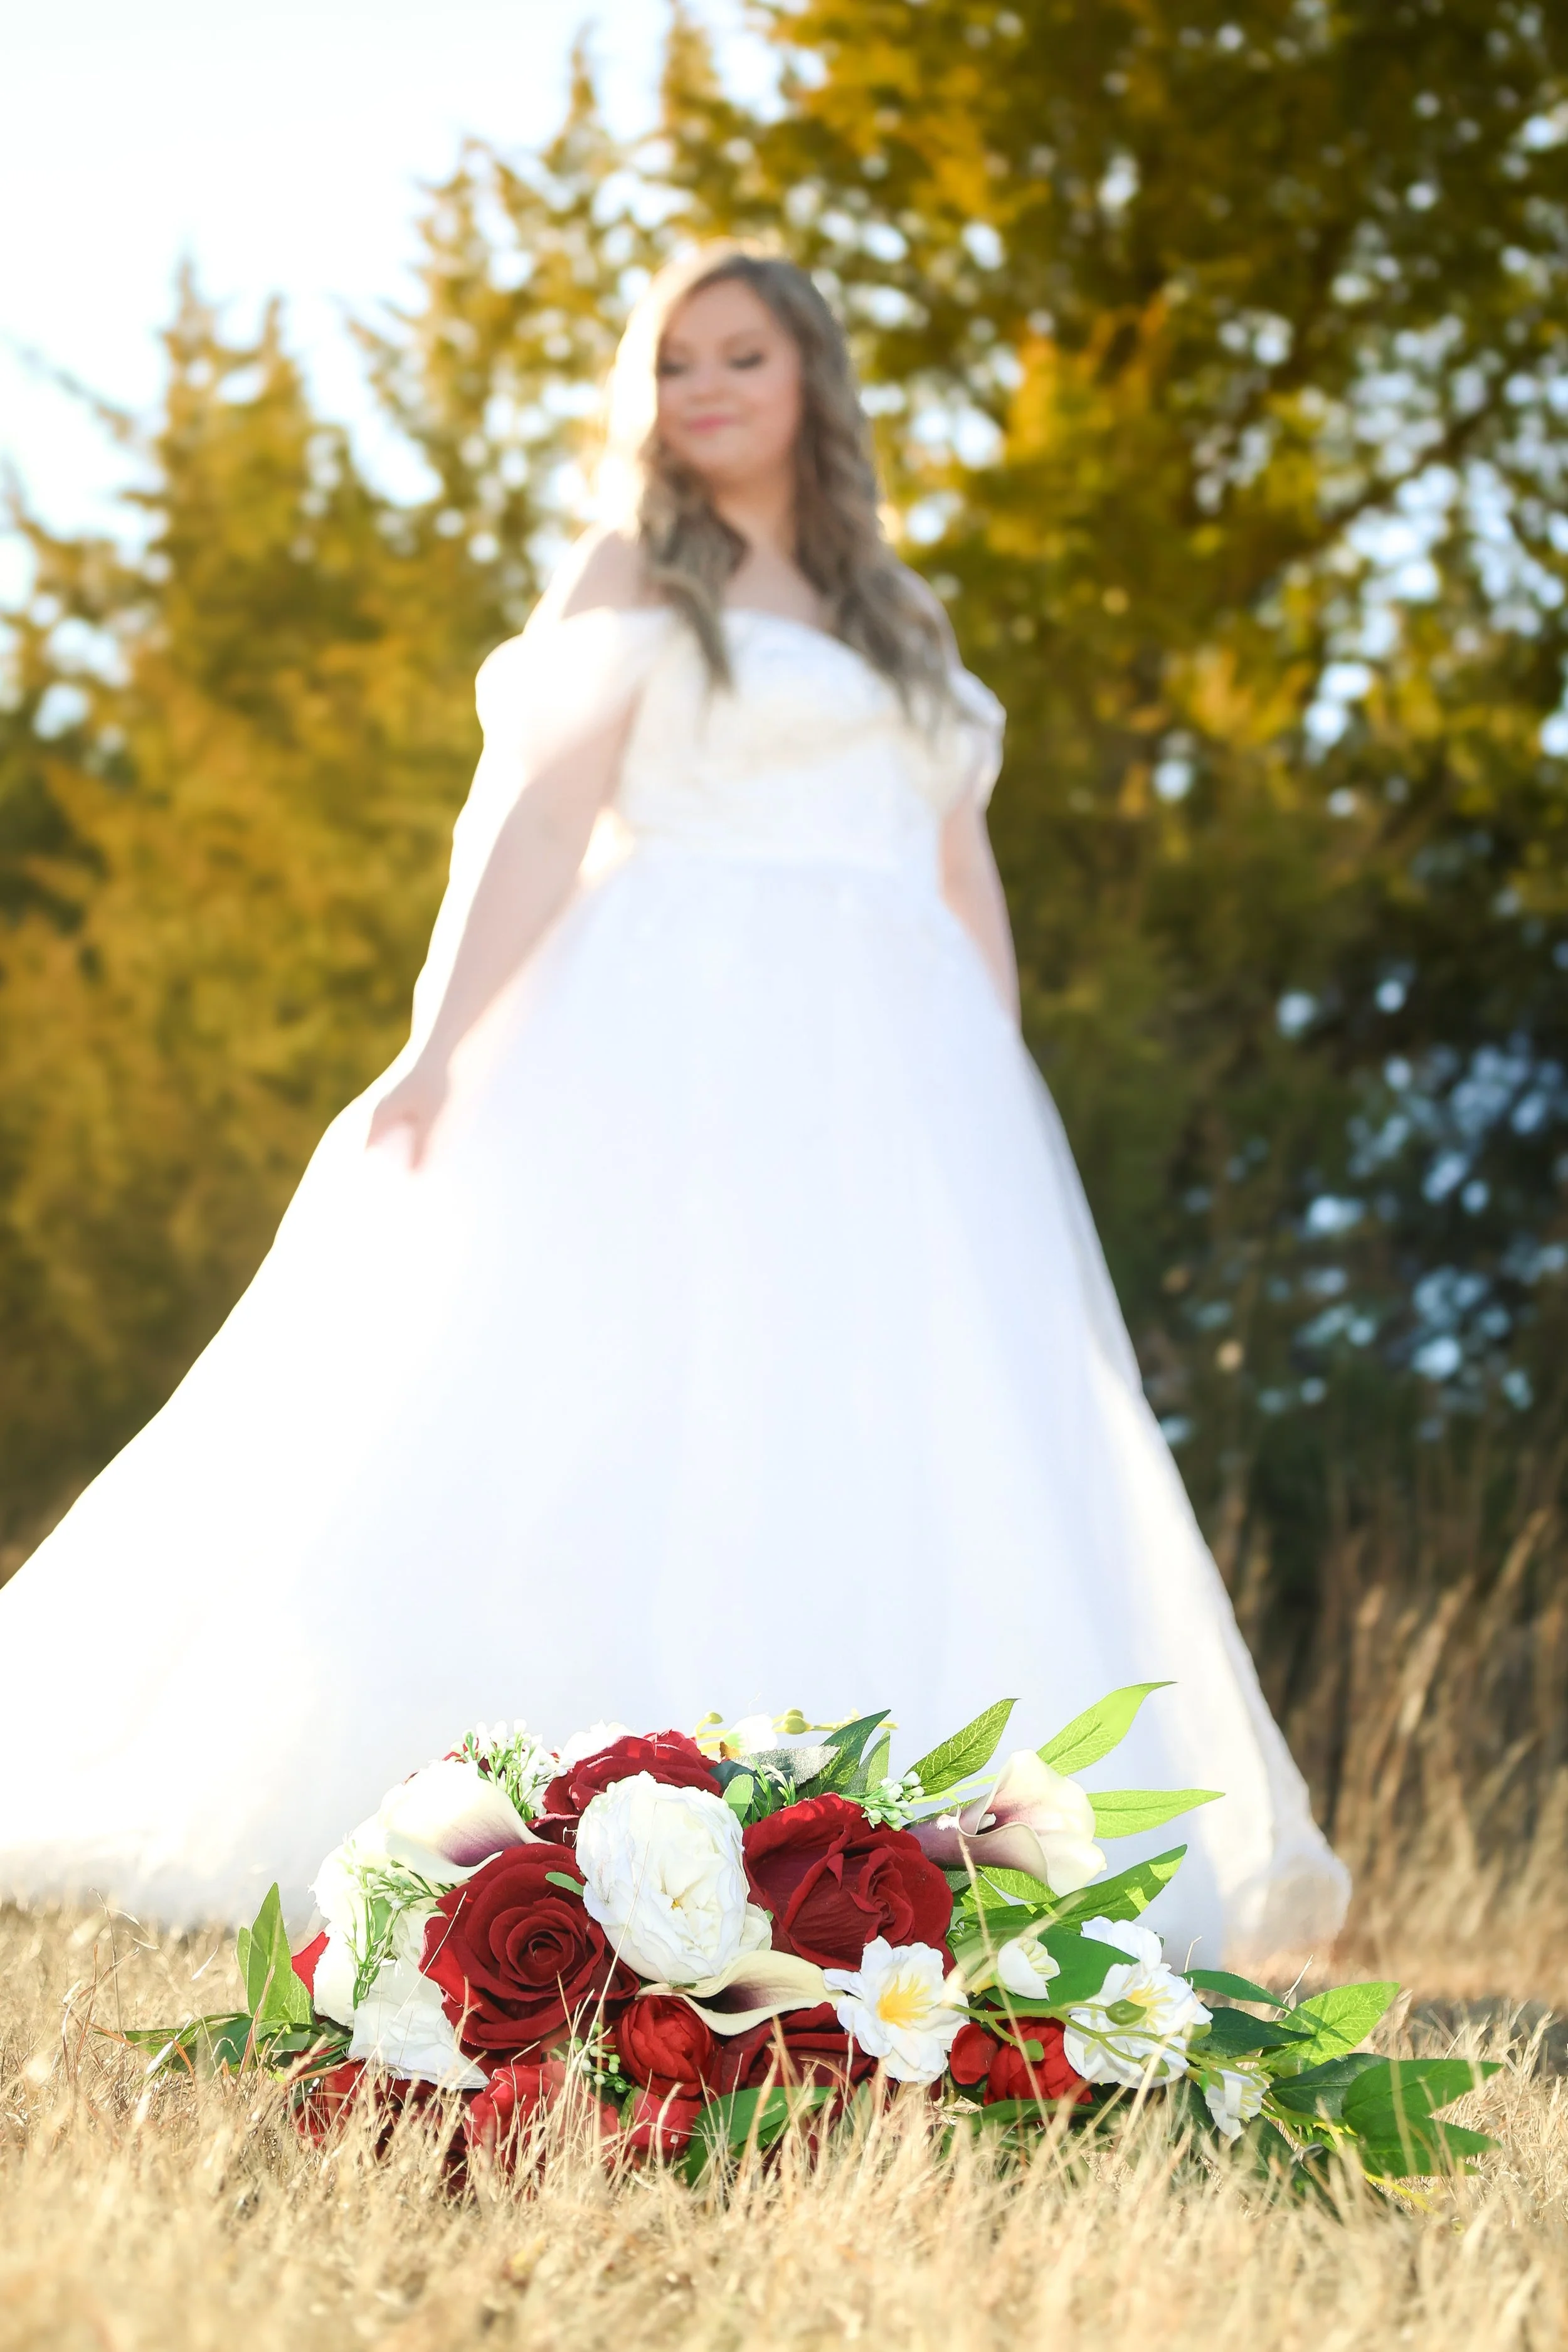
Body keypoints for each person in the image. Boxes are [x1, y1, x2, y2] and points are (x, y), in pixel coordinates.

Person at [0, 246, 1348, 1959]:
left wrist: (995, 1098)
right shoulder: (635, 568)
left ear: (810, 382)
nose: (700, 388)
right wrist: (435, 1048)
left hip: (899, 1082)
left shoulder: (899, 616)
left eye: (740, 355)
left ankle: (887, 1872)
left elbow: (959, 871)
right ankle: (579, 1850)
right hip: (669, 1038)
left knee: (891, 1431)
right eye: (672, 362)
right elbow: (539, 823)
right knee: (636, 1401)